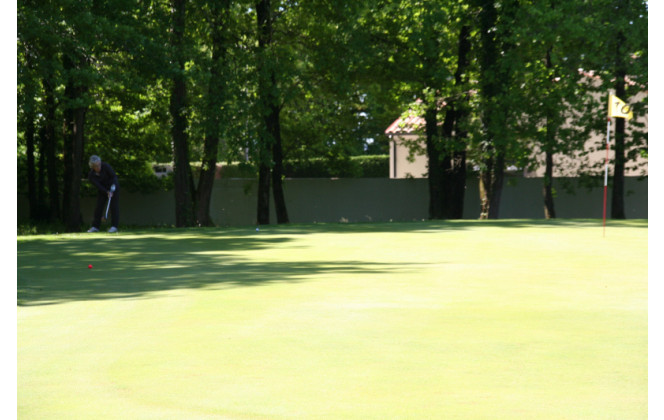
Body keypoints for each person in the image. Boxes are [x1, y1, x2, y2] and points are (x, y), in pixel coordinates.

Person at [87, 155, 120, 233]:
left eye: (99, 164)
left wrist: (112, 189)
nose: (99, 167)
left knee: (114, 206)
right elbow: (98, 186)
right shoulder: (91, 175)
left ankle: (114, 226)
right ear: (92, 167)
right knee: (99, 207)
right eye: (96, 166)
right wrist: (106, 192)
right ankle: (95, 227)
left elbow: (114, 177)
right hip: (103, 190)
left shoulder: (106, 166)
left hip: (113, 187)